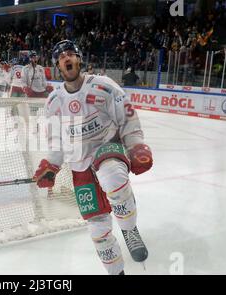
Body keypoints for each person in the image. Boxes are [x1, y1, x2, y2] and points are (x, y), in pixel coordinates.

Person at [32, 40, 153, 275]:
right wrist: (51, 166)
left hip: (108, 148)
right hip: (80, 165)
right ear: (58, 65)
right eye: (61, 57)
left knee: (111, 176)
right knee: (97, 229)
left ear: (79, 59)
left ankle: (129, 230)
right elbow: (55, 142)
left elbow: (127, 117)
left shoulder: (103, 86)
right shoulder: (54, 102)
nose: (66, 58)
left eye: (70, 54)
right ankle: (116, 272)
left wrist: (136, 145)